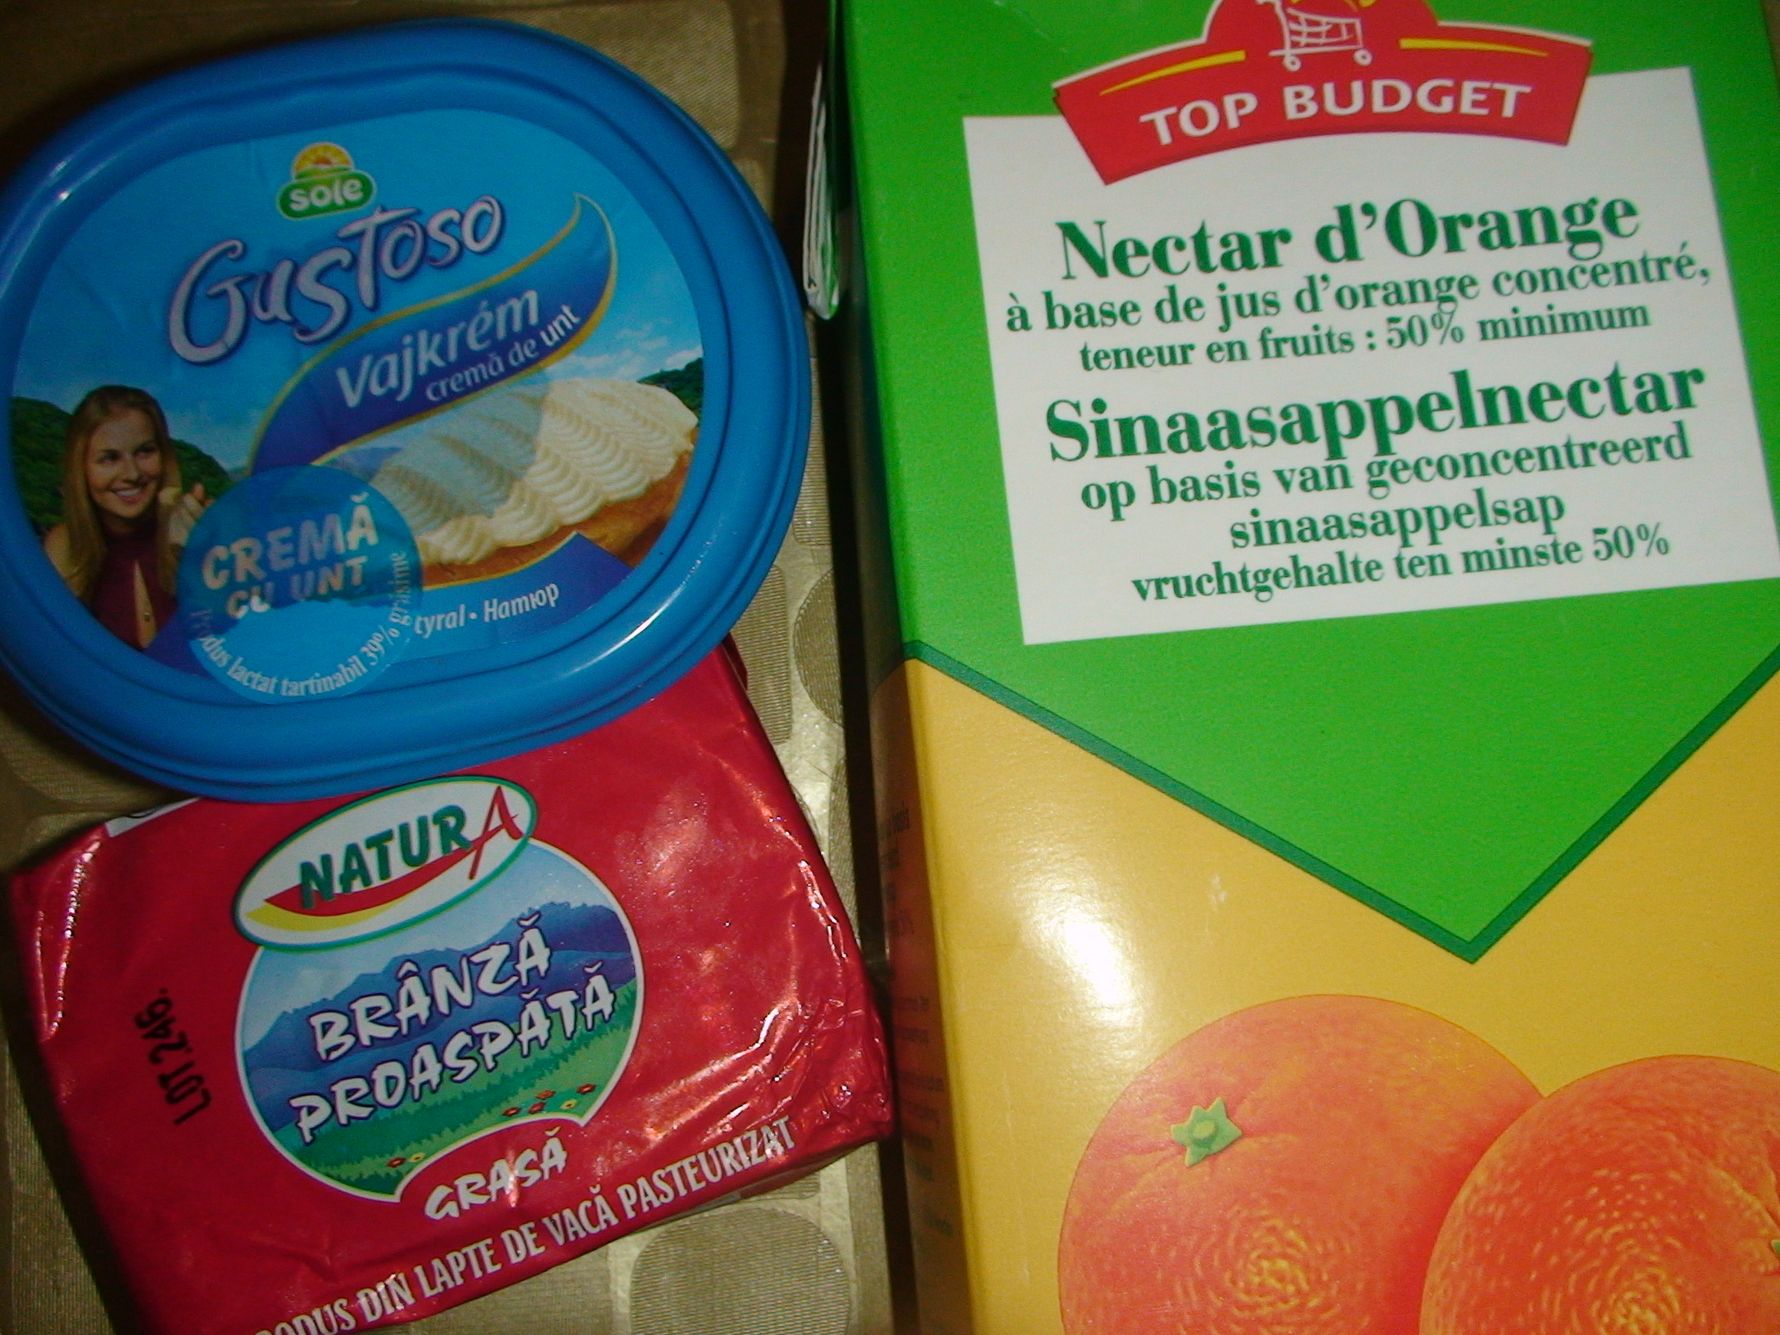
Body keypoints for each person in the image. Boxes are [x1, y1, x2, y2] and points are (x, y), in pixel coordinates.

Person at [41, 386, 208, 649]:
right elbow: (52, 655)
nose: (132, 473)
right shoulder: (64, 548)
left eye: (145, 451)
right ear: (81, 468)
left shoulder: (197, 528)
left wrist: (204, 558)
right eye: (109, 458)